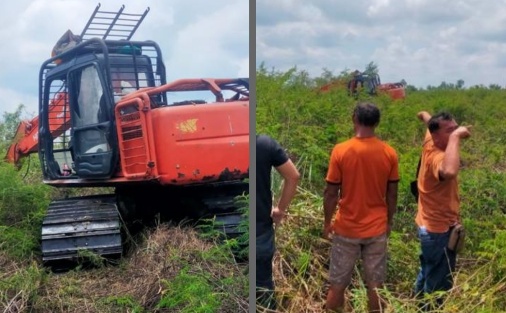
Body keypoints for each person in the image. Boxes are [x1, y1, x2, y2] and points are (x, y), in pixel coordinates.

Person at [323, 102, 399, 313]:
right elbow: (392, 193)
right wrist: (388, 221)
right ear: (377, 123)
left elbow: (331, 192)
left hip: (346, 228)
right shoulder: (389, 153)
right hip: (376, 229)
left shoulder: (341, 150)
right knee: (376, 285)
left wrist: (327, 223)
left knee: (337, 283)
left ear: (354, 119)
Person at [413, 111, 471, 309]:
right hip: (438, 232)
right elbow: (449, 171)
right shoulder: (437, 156)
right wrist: (455, 137)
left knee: (428, 271)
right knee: (439, 285)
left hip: (426, 225)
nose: (456, 132)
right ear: (437, 136)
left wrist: (423, 114)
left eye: (456, 127)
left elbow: (430, 122)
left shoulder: (431, 139)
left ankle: (415, 305)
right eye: (450, 130)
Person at [256, 134, 300, 311]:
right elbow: (293, 176)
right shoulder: (264, 143)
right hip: (260, 234)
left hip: (230, 231)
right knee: (263, 289)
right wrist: (280, 210)